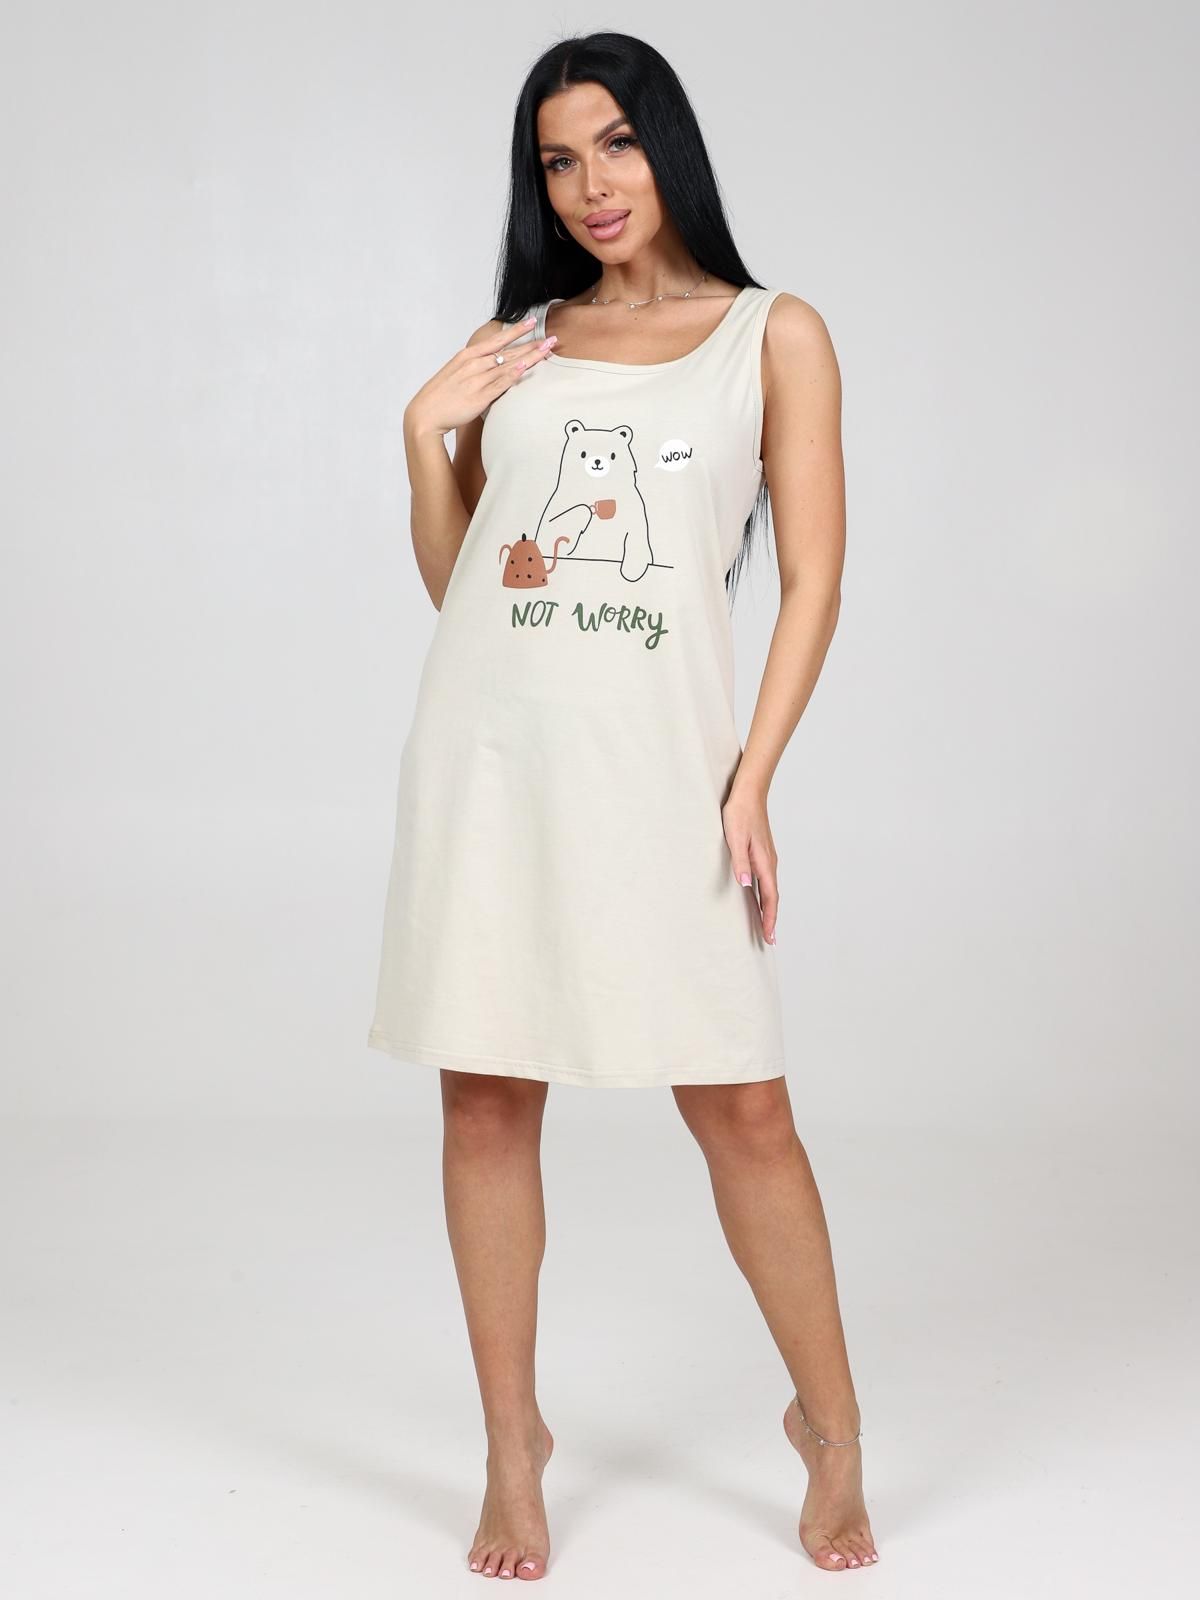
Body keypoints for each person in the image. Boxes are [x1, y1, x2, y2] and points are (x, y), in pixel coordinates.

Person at [366, 29, 876, 1580]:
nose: (590, 184)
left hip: (664, 773)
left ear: (669, 147)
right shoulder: (520, 342)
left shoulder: (772, 334)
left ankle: (833, 1428)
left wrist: (755, 774)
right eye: (558, 160)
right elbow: (467, 585)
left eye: (617, 143)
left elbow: (814, 577)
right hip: (491, 762)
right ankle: (511, 1444)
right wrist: (426, 434)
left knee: (743, 1108)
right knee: (484, 1098)